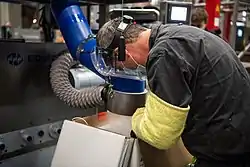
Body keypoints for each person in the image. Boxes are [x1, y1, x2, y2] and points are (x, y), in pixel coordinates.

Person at [96, 17, 250, 167]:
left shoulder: (164, 55)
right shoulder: (173, 34)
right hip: (238, 134)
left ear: (121, 52)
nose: (125, 69)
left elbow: (160, 135)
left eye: (120, 65)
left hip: (227, 152)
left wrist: (136, 119)